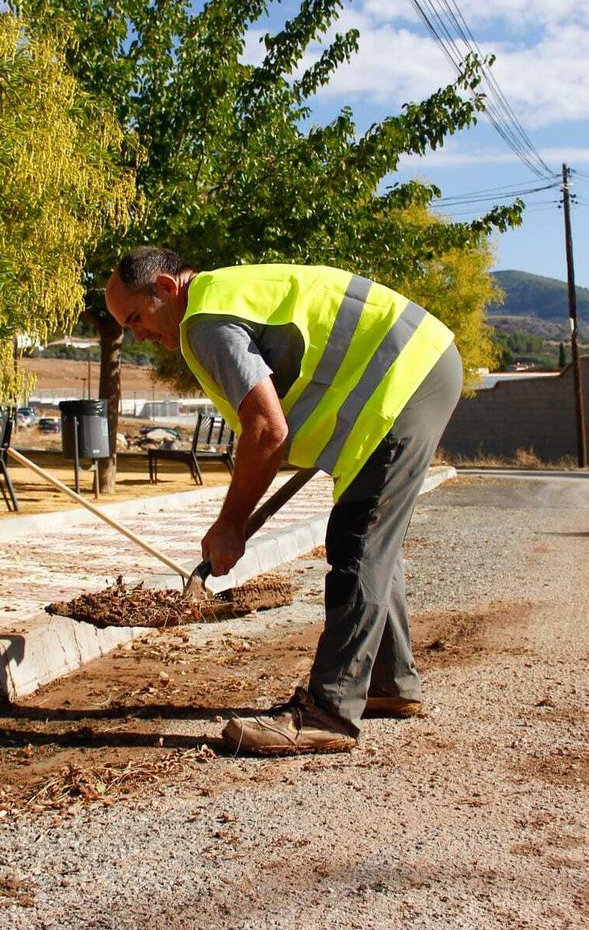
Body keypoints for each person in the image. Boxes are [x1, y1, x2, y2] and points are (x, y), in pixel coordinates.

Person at [105, 247, 463, 755]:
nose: (138, 335)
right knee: (370, 537)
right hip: (417, 364)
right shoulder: (223, 294)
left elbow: (266, 429)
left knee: (357, 541)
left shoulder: (205, 321)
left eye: (136, 318)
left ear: (165, 288)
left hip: (405, 378)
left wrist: (230, 524)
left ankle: (328, 712)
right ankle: (390, 682)